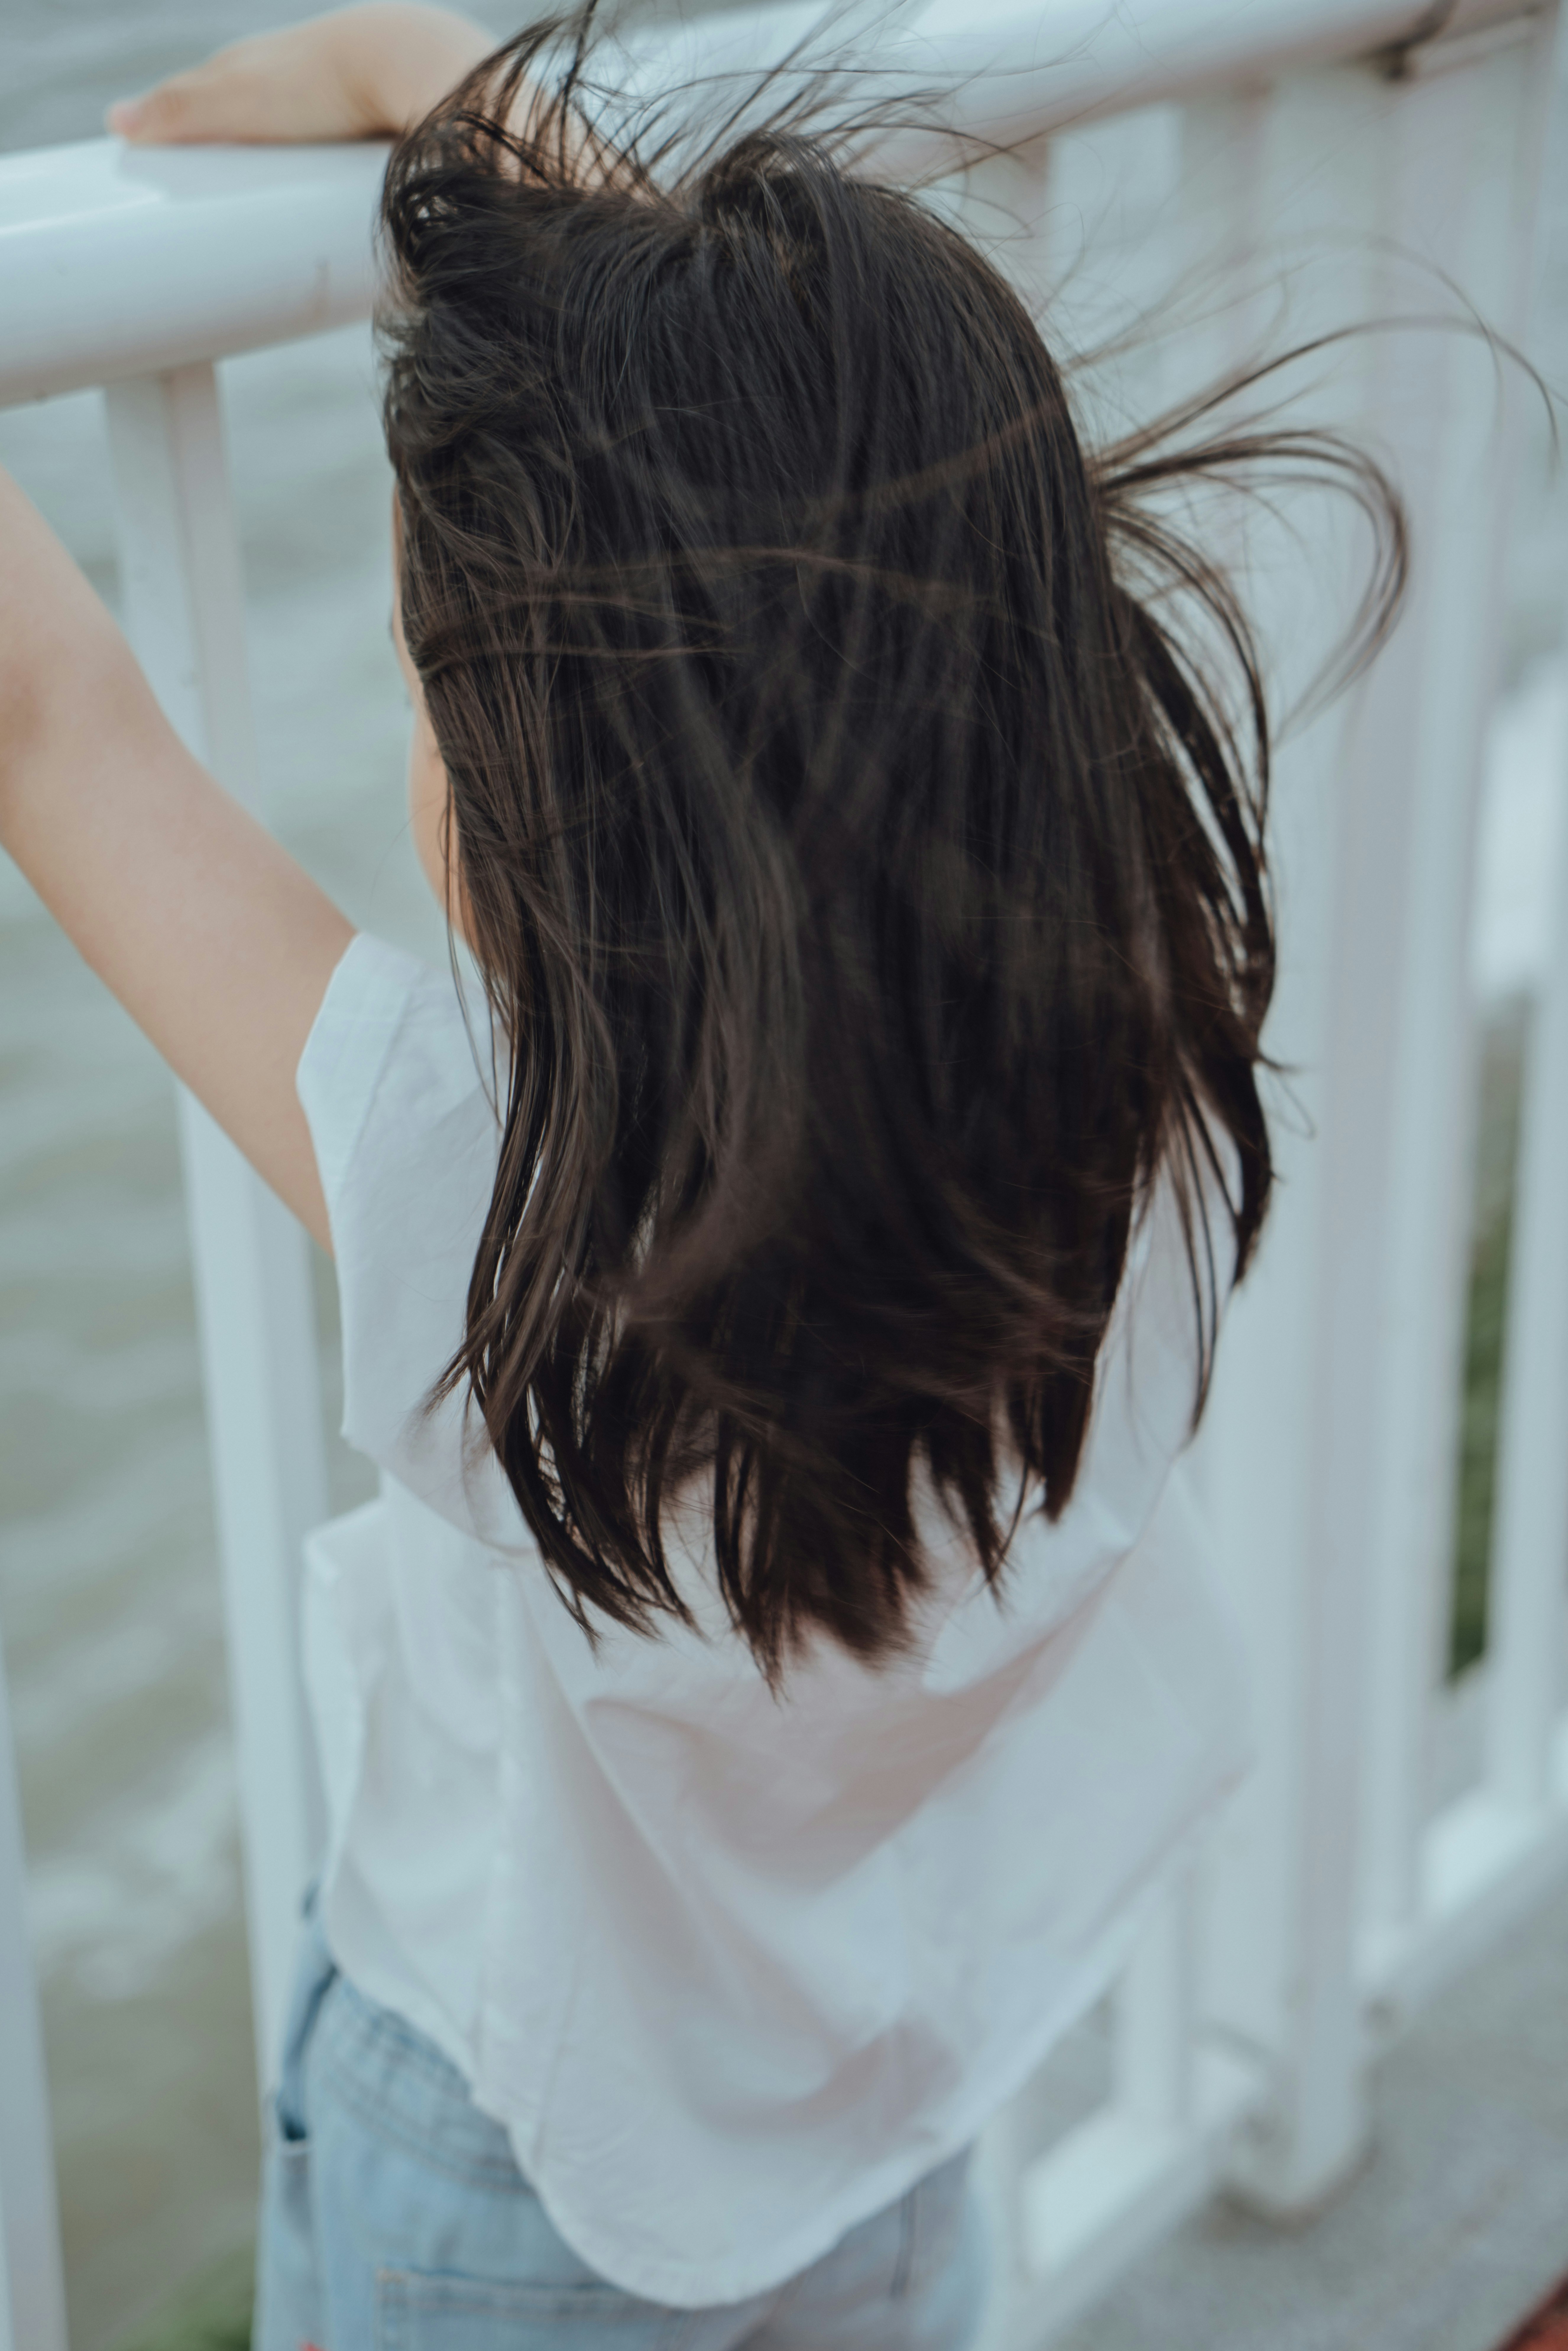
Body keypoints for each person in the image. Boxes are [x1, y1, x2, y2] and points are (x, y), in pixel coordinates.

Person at [1, 9, 1402, 2344]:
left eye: (442, 698)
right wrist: (463, 100)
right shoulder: (1130, 1110)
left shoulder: (503, 1221)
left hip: (517, 2153)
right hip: (879, 2093)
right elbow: (815, 513)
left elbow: (54, 724)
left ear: (595, 824)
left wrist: (443, 94)